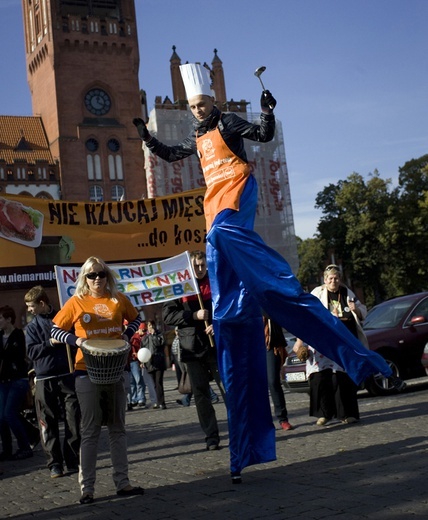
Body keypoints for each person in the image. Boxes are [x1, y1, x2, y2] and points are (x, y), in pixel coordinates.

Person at [133, 63, 403, 482]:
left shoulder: (228, 122)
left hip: (238, 192)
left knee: (222, 235)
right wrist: (147, 138)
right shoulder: (198, 134)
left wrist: (267, 109)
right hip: (212, 202)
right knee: (222, 287)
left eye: (202, 103)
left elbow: (263, 135)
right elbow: (171, 155)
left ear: (213, 102)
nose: (198, 111)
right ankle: (243, 450)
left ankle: (275, 282)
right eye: (193, 106)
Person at [51, 256, 144, 504]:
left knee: (117, 429)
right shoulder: (76, 301)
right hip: (85, 371)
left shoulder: (118, 299)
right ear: (84, 278)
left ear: (107, 275)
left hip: (116, 369)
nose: (97, 279)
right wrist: (77, 340)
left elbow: (137, 318)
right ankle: (87, 489)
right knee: (90, 430)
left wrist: (126, 334)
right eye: (91, 275)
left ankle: (123, 483)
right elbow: (54, 329)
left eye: (101, 274)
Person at [162, 250, 226, 451]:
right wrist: (194, 315)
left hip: (216, 346)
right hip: (191, 348)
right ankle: (211, 436)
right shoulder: (180, 287)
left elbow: (227, 308)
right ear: (189, 266)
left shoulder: (216, 283)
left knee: (227, 389)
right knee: (200, 394)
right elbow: (168, 316)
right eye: (196, 266)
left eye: (202, 265)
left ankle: (241, 430)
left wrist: (217, 323)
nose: (199, 269)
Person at [293, 265, 367, 426]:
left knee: (342, 378)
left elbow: (362, 309)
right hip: (322, 342)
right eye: (330, 278)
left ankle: (346, 414)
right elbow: (305, 316)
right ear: (325, 280)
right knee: (320, 378)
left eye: (336, 278)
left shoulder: (347, 293)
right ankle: (324, 414)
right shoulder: (317, 294)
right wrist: (300, 341)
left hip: (344, 341)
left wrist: (357, 310)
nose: (334, 281)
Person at [24, 285, 81, 478]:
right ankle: (54, 464)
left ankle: (72, 459)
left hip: (67, 376)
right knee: (47, 423)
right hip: (44, 378)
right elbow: (31, 352)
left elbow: (76, 340)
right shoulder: (31, 327)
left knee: (74, 419)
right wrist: (50, 343)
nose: (29, 310)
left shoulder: (63, 318)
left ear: (42, 303)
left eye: (31, 306)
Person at [0, 305, 33, 460]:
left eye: (0, 318)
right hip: (3, 381)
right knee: (1, 417)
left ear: (8, 319)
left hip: (18, 380)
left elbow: (17, 355)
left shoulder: (19, 334)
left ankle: (25, 447)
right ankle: (6, 450)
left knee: (10, 414)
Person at [263, 315, 293, 431]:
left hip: (271, 344)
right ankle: (263, 420)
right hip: (252, 345)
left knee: (273, 381)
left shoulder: (267, 298)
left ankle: (282, 418)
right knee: (258, 384)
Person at [141, 320, 167, 409]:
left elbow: (159, 344)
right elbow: (142, 350)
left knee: (159, 382)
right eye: (149, 325)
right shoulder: (144, 338)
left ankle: (162, 403)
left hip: (158, 361)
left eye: (152, 325)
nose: (150, 327)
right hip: (149, 363)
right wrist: (142, 361)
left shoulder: (160, 335)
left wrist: (154, 335)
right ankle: (156, 401)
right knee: (153, 384)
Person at [128, 323, 147, 409]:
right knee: (132, 382)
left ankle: (141, 398)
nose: (143, 332)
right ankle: (134, 399)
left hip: (135, 361)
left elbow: (141, 350)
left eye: (144, 330)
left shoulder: (139, 338)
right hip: (129, 361)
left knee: (138, 380)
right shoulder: (133, 337)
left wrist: (140, 359)